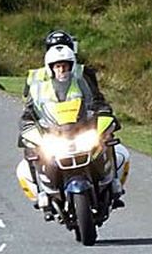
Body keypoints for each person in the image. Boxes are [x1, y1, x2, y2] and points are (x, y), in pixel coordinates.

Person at [17, 31, 129, 212]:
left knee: (109, 142)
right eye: (57, 66)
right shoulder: (37, 80)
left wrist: (104, 115)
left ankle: (113, 184)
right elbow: (30, 109)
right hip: (53, 131)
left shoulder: (83, 75)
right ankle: (43, 193)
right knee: (32, 152)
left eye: (65, 66)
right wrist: (28, 127)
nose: (61, 70)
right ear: (50, 64)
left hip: (81, 129)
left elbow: (97, 99)